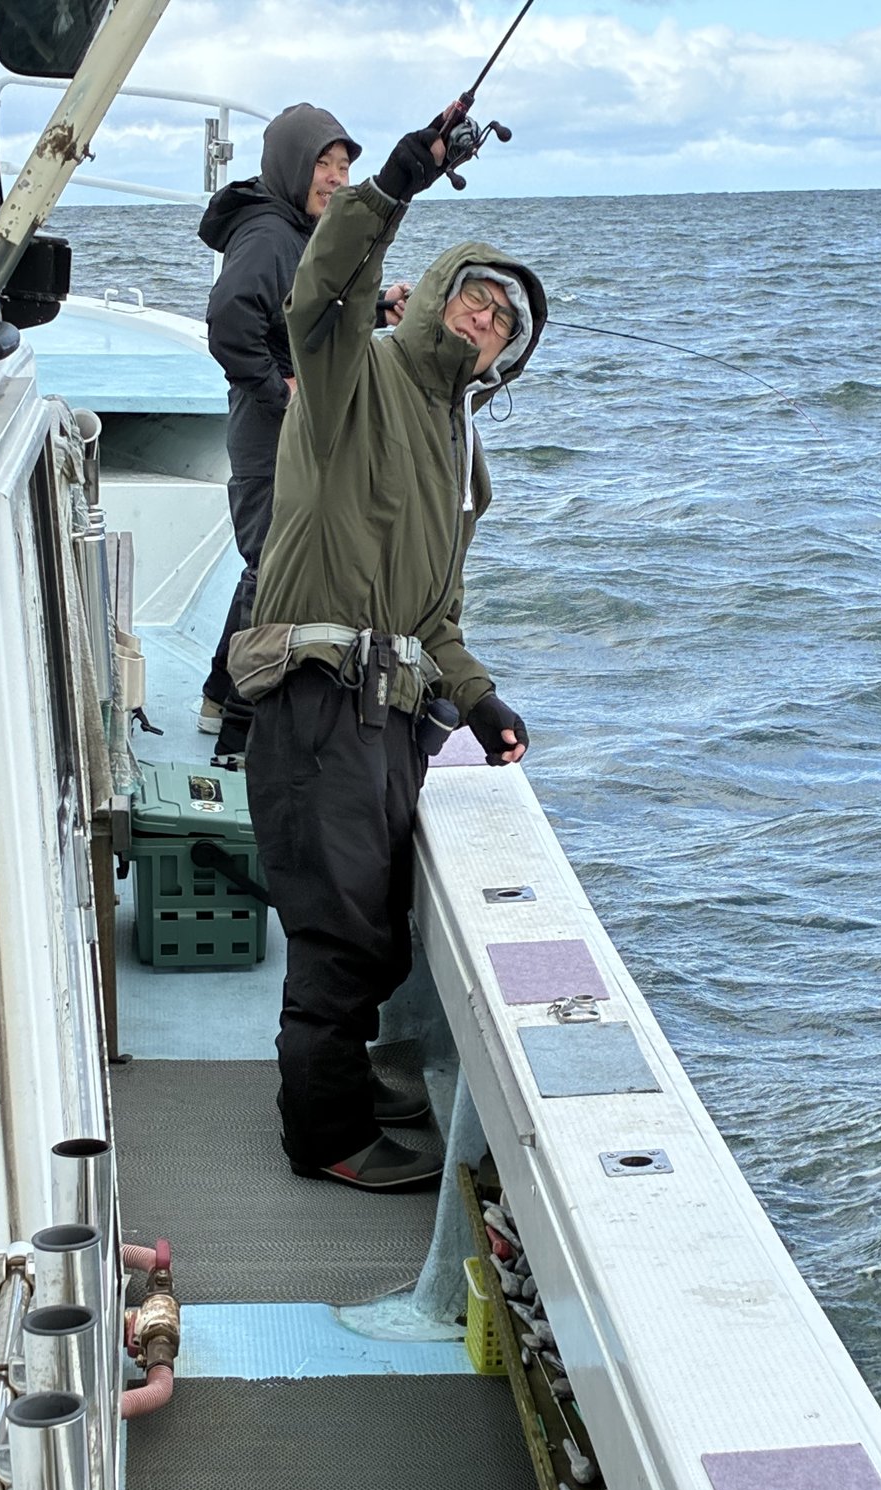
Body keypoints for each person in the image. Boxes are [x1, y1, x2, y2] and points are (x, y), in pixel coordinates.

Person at [232, 122, 545, 1191]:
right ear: (433, 293)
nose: (486, 318)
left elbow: (435, 616)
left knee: (374, 927)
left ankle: (350, 1091)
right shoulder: (350, 371)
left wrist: (480, 698)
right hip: (318, 699)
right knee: (339, 936)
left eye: (504, 319)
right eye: (476, 296)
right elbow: (320, 291)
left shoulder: (460, 448)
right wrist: (397, 182)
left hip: (393, 716)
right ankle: (324, 1137)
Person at [197, 103, 408, 766]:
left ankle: (217, 694)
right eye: (324, 164)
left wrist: (377, 310)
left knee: (265, 563)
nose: (337, 178)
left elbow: (299, 312)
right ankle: (238, 738)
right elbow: (230, 323)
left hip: (282, 427)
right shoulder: (268, 233)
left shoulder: (294, 229)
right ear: (292, 164)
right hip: (265, 431)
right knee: (273, 569)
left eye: (344, 166)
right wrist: (280, 391)